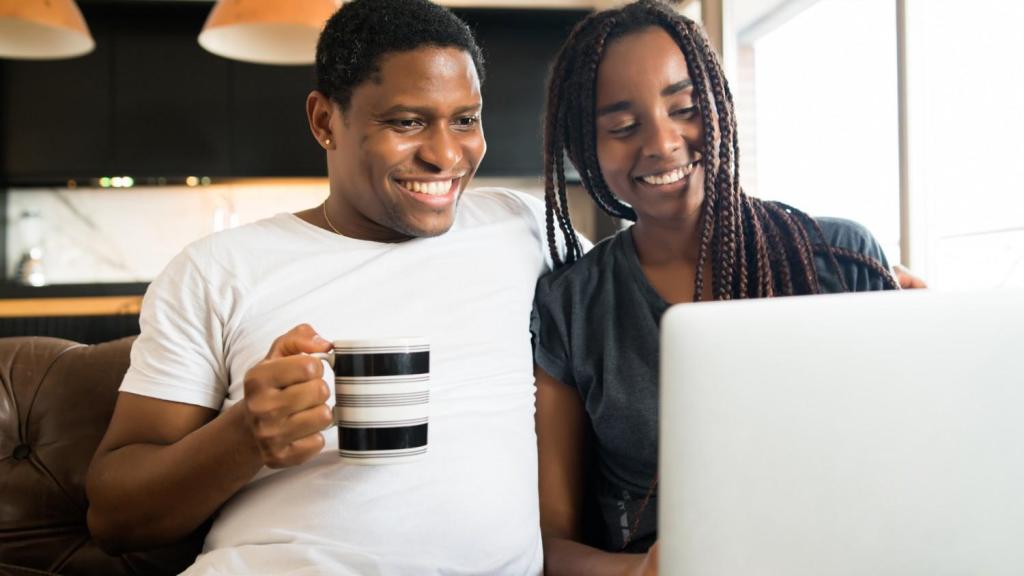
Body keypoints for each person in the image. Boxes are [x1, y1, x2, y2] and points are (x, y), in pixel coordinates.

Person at [85, 0, 551, 573]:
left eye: (465, 119)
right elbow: (112, 517)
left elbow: (648, 278)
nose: (446, 155)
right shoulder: (218, 269)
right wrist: (242, 438)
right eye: (407, 122)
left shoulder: (523, 228)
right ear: (325, 121)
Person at [530, 2, 913, 574]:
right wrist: (638, 572)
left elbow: (911, 460)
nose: (661, 143)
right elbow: (547, 543)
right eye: (622, 126)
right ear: (587, 148)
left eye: (684, 108)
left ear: (720, 104)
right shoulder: (573, 305)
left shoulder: (840, 259)